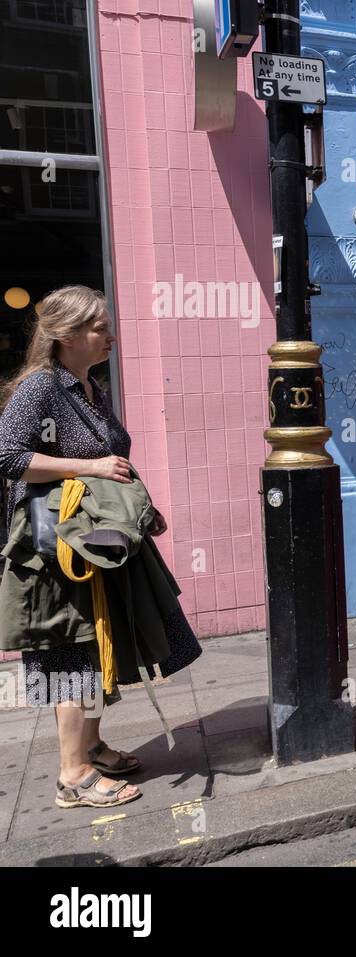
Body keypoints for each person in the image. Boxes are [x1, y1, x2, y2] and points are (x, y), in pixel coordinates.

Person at [0, 286, 201, 809]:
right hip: (56, 553)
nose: (109, 336)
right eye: (98, 327)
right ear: (65, 335)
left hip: (95, 543)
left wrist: (141, 509)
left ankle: (90, 746)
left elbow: (116, 461)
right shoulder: (39, 388)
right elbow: (8, 456)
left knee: (99, 647)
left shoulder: (92, 387)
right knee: (73, 652)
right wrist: (87, 468)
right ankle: (72, 775)